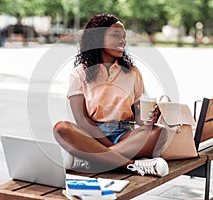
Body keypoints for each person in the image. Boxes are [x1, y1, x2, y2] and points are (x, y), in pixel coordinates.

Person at [53, 13, 170, 176]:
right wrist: (106, 146)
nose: (122, 41)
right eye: (116, 35)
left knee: (160, 132)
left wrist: (149, 118)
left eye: (124, 37)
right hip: (92, 136)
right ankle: (130, 165)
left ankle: (92, 161)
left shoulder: (132, 72)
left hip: (124, 134)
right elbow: (82, 120)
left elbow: (139, 117)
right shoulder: (80, 73)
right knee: (62, 128)